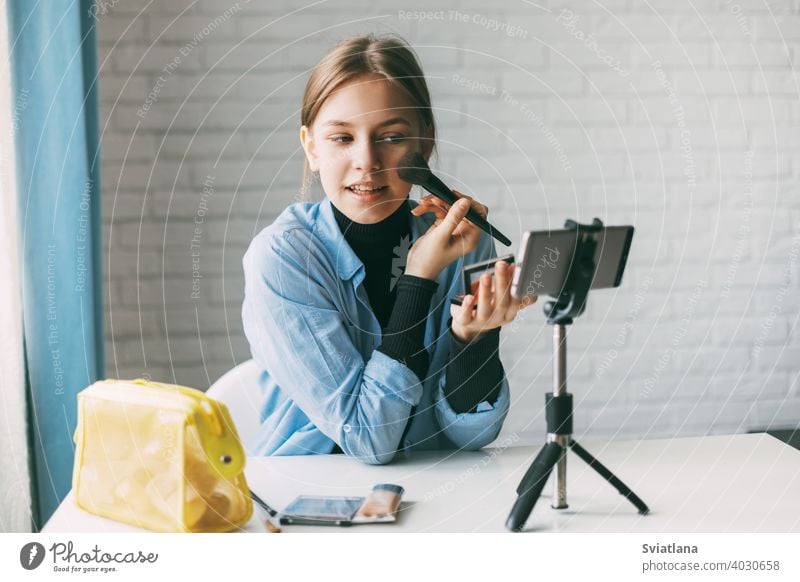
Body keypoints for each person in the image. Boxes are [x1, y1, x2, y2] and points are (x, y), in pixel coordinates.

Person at [242, 34, 534, 464]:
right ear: (311, 147)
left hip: (431, 493)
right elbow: (368, 441)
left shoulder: (461, 240)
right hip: (310, 501)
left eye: (392, 136)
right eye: (342, 138)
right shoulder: (282, 259)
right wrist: (418, 279)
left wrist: (473, 339)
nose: (368, 160)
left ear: (424, 143)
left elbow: (473, 433)